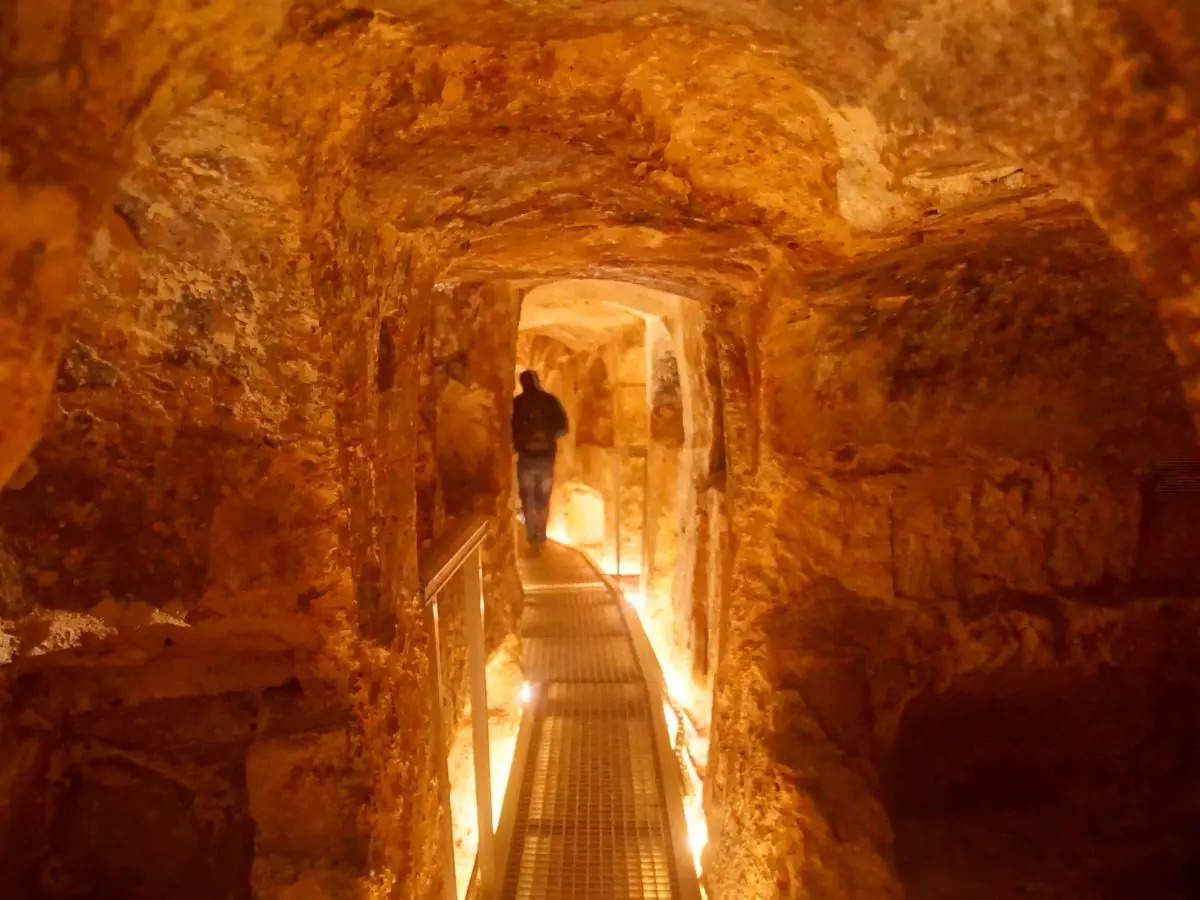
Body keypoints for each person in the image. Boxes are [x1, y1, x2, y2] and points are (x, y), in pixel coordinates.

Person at [511, 370, 568, 552]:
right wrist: (549, 437)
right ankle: (540, 535)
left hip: (526, 458)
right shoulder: (550, 401)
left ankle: (532, 537)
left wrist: (520, 441)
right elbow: (563, 427)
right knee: (543, 498)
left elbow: (510, 429)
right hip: (546, 457)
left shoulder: (517, 404)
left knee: (528, 497)